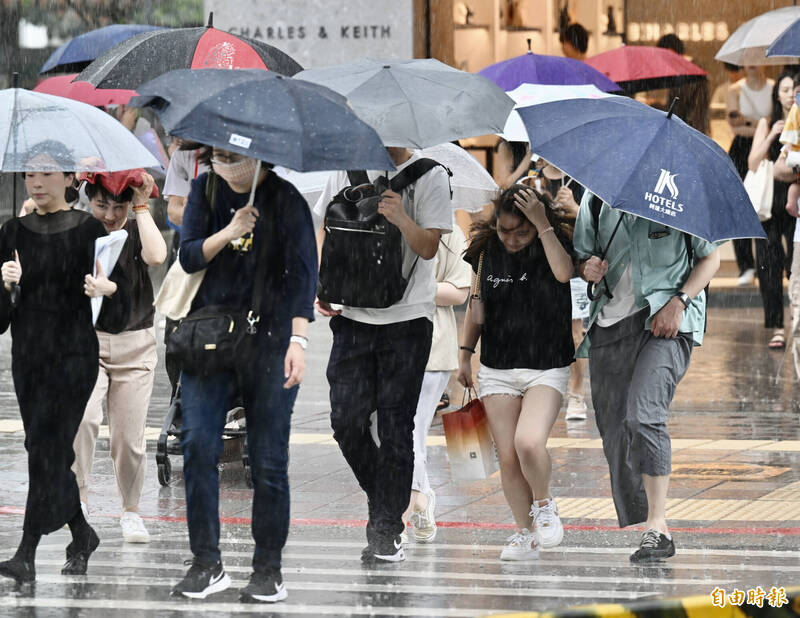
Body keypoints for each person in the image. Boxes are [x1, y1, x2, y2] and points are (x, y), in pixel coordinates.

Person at [171, 148, 317, 603]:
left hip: (269, 342)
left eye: (232, 153)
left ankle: (268, 569)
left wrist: (299, 341)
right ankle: (206, 563)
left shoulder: (286, 199)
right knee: (197, 446)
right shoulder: (204, 190)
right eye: (216, 152)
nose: (223, 159)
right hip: (210, 338)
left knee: (268, 459)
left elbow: (303, 277)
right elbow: (190, 255)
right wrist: (230, 231)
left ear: (257, 154)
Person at [314, 146, 452, 563]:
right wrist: (325, 282)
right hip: (353, 315)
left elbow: (429, 247)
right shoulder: (346, 164)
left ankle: (387, 528)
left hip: (408, 320)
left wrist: (401, 218)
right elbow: (325, 225)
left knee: (396, 427)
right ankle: (388, 499)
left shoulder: (430, 175)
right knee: (345, 421)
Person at [0, 142, 130, 584]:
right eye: (29, 174)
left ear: (70, 178)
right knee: (44, 451)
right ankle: (82, 532)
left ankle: (25, 553)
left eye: (46, 173)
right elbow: (0, 319)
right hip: (28, 357)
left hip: (73, 355)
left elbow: (122, 302)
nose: (35, 182)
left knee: (48, 450)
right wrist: (6, 286)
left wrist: (103, 291)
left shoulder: (89, 230)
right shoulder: (11, 233)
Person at [574, 191, 720, 563]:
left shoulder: (678, 196)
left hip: (666, 324)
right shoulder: (596, 198)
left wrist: (680, 302)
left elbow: (711, 257)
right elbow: (581, 255)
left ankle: (658, 527)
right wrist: (586, 267)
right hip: (609, 324)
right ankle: (643, 511)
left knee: (644, 415)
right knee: (615, 430)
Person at [457, 186, 575, 560]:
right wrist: (464, 354)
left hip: (547, 364)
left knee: (528, 443)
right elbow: (476, 307)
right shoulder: (485, 252)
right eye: (505, 230)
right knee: (508, 457)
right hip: (497, 366)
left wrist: (542, 226)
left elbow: (564, 272)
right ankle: (525, 535)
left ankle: (544, 504)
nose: (511, 239)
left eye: (519, 232)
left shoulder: (552, 243)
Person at [71, 169, 167, 543]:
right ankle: (78, 501)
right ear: (87, 200)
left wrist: (141, 205)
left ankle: (130, 511)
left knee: (128, 438)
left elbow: (157, 256)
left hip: (135, 343)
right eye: (101, 205)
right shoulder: (79, 230)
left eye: (118, 206)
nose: (110, 215)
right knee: (83, 420)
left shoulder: (138, 228)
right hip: (88, 341)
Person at [400, 225, 471, 543]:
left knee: (411, 428)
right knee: (387, 428)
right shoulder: (385, 221)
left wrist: (414, 285)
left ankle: (412, 500)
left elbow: (459, 292)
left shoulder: (450, 232)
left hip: (431, 345)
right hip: (382, 342)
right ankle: (424, 495)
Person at [529, 162, 589, 420]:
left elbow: (594, 225)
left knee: (575, 333)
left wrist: (574, 208)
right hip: (538, 268)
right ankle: (542, 391)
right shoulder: (530, 182)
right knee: (539, 330)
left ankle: (576, 394)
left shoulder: (580, 182)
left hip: (573, 264)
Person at [747, 71, 798, 350]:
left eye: (794, 89)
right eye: (785, 89)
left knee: (794, 263)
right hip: (768, 204)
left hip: (794, 206)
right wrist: (771, 137)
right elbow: (753, 162)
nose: (790, 94)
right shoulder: (767, 122)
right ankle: (777, 326)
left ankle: (796, 312)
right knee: (768, 265)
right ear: (777, 94)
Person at [728, 65, 774, 287]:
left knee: (766, 202)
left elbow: (771, 121)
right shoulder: (735, 89)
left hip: (768, 147)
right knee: (740, 206)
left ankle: (769, 263)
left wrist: (748, 121)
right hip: (741, 150)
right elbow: (735, 127)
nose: (753, 63)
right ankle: (746, 265)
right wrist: (760, 124)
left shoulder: (775, 87)